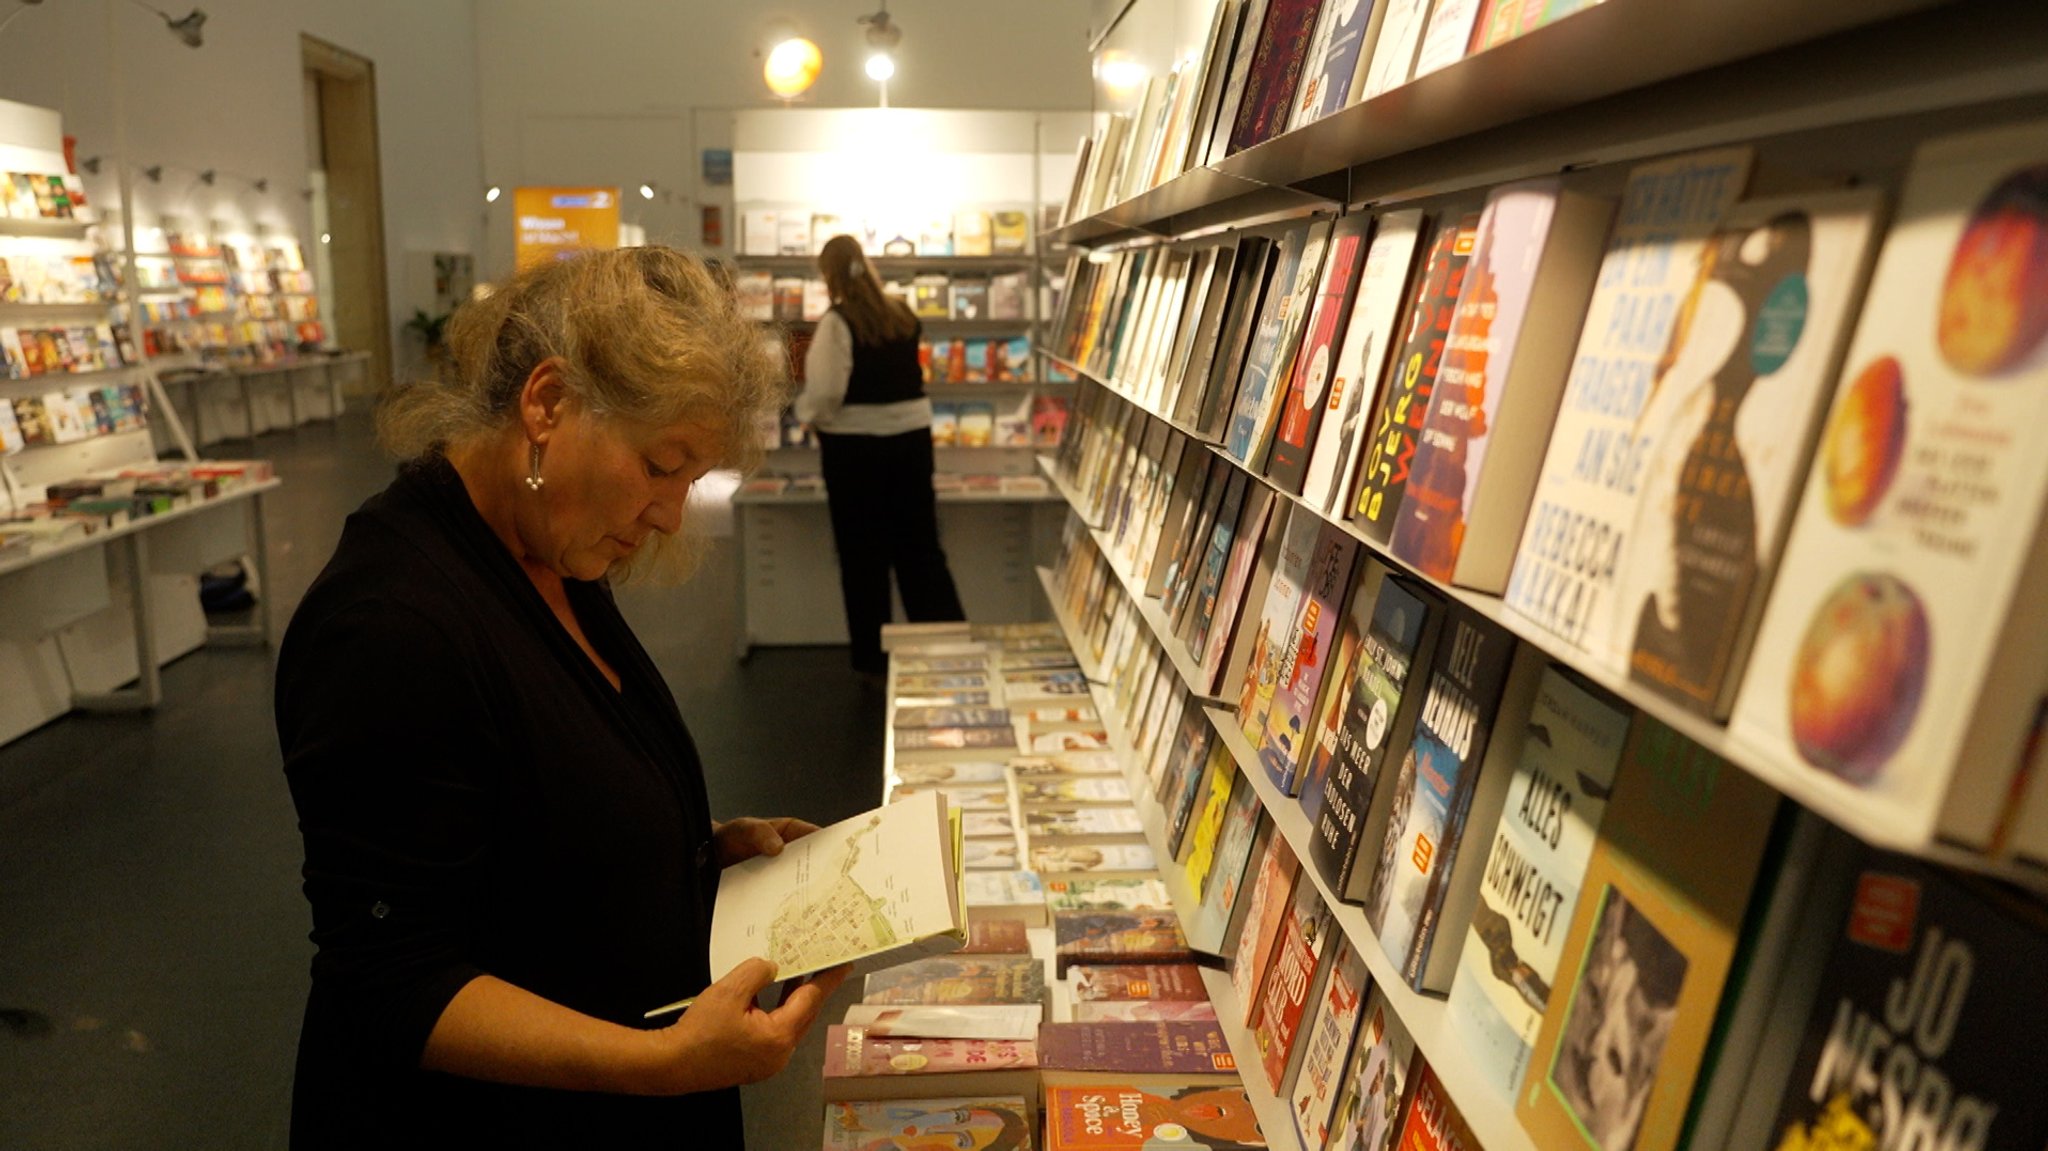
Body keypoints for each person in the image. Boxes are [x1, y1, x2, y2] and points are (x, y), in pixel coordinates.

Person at [274, 246, 849, 1148]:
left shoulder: (548, 551)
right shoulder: (389, 625)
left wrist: (690, 853)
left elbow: (522, 819)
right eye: (662, 465)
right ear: (546, 404)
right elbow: (393, 979)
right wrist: (656, 1061)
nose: (669, 513)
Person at [795, 234, 965, 676]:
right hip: (912, 442)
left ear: (829, 274)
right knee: (921, 550)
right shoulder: (902, 312)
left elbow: (828, 391)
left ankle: (873, 662)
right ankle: (947, 646)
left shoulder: (838, 322)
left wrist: (808, 414)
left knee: (862, 557)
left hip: (855, 452)